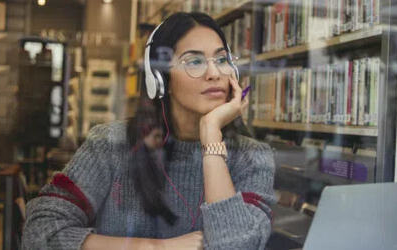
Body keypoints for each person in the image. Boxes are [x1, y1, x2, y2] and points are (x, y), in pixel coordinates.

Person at [21, 12, 277, 250]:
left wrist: (211, 133)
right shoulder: (110, 145)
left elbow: (237, 247)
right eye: (195, 61)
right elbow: (39, 232)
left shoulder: (252, 157)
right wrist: (157, 247)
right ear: (160, 78)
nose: (214, 73)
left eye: (221, 59)